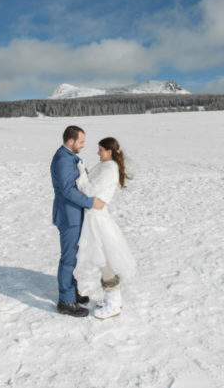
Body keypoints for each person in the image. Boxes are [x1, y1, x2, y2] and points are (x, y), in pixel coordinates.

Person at [75, 137, 136, 319]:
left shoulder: (109, 168)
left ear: (109, 152)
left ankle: (113, 304)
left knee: (104, 262)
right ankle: (113, 299)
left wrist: (81, 172)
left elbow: (89, 190)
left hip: (98, 219)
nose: (97, 153)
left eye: (100, 150)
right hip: (95, 215)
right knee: (104, 260)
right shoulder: (106, 166)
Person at [50, 125, 105, 317]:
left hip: (73, 213)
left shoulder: (69, 157)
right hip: (68, 215)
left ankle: (71, 291)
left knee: (71, 256)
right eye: (81, 141)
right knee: (67, 259)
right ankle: (66, 301)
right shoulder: (63, 160)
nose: (83, 145)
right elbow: (67, 190)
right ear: (70, 141)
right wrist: (90, 202)